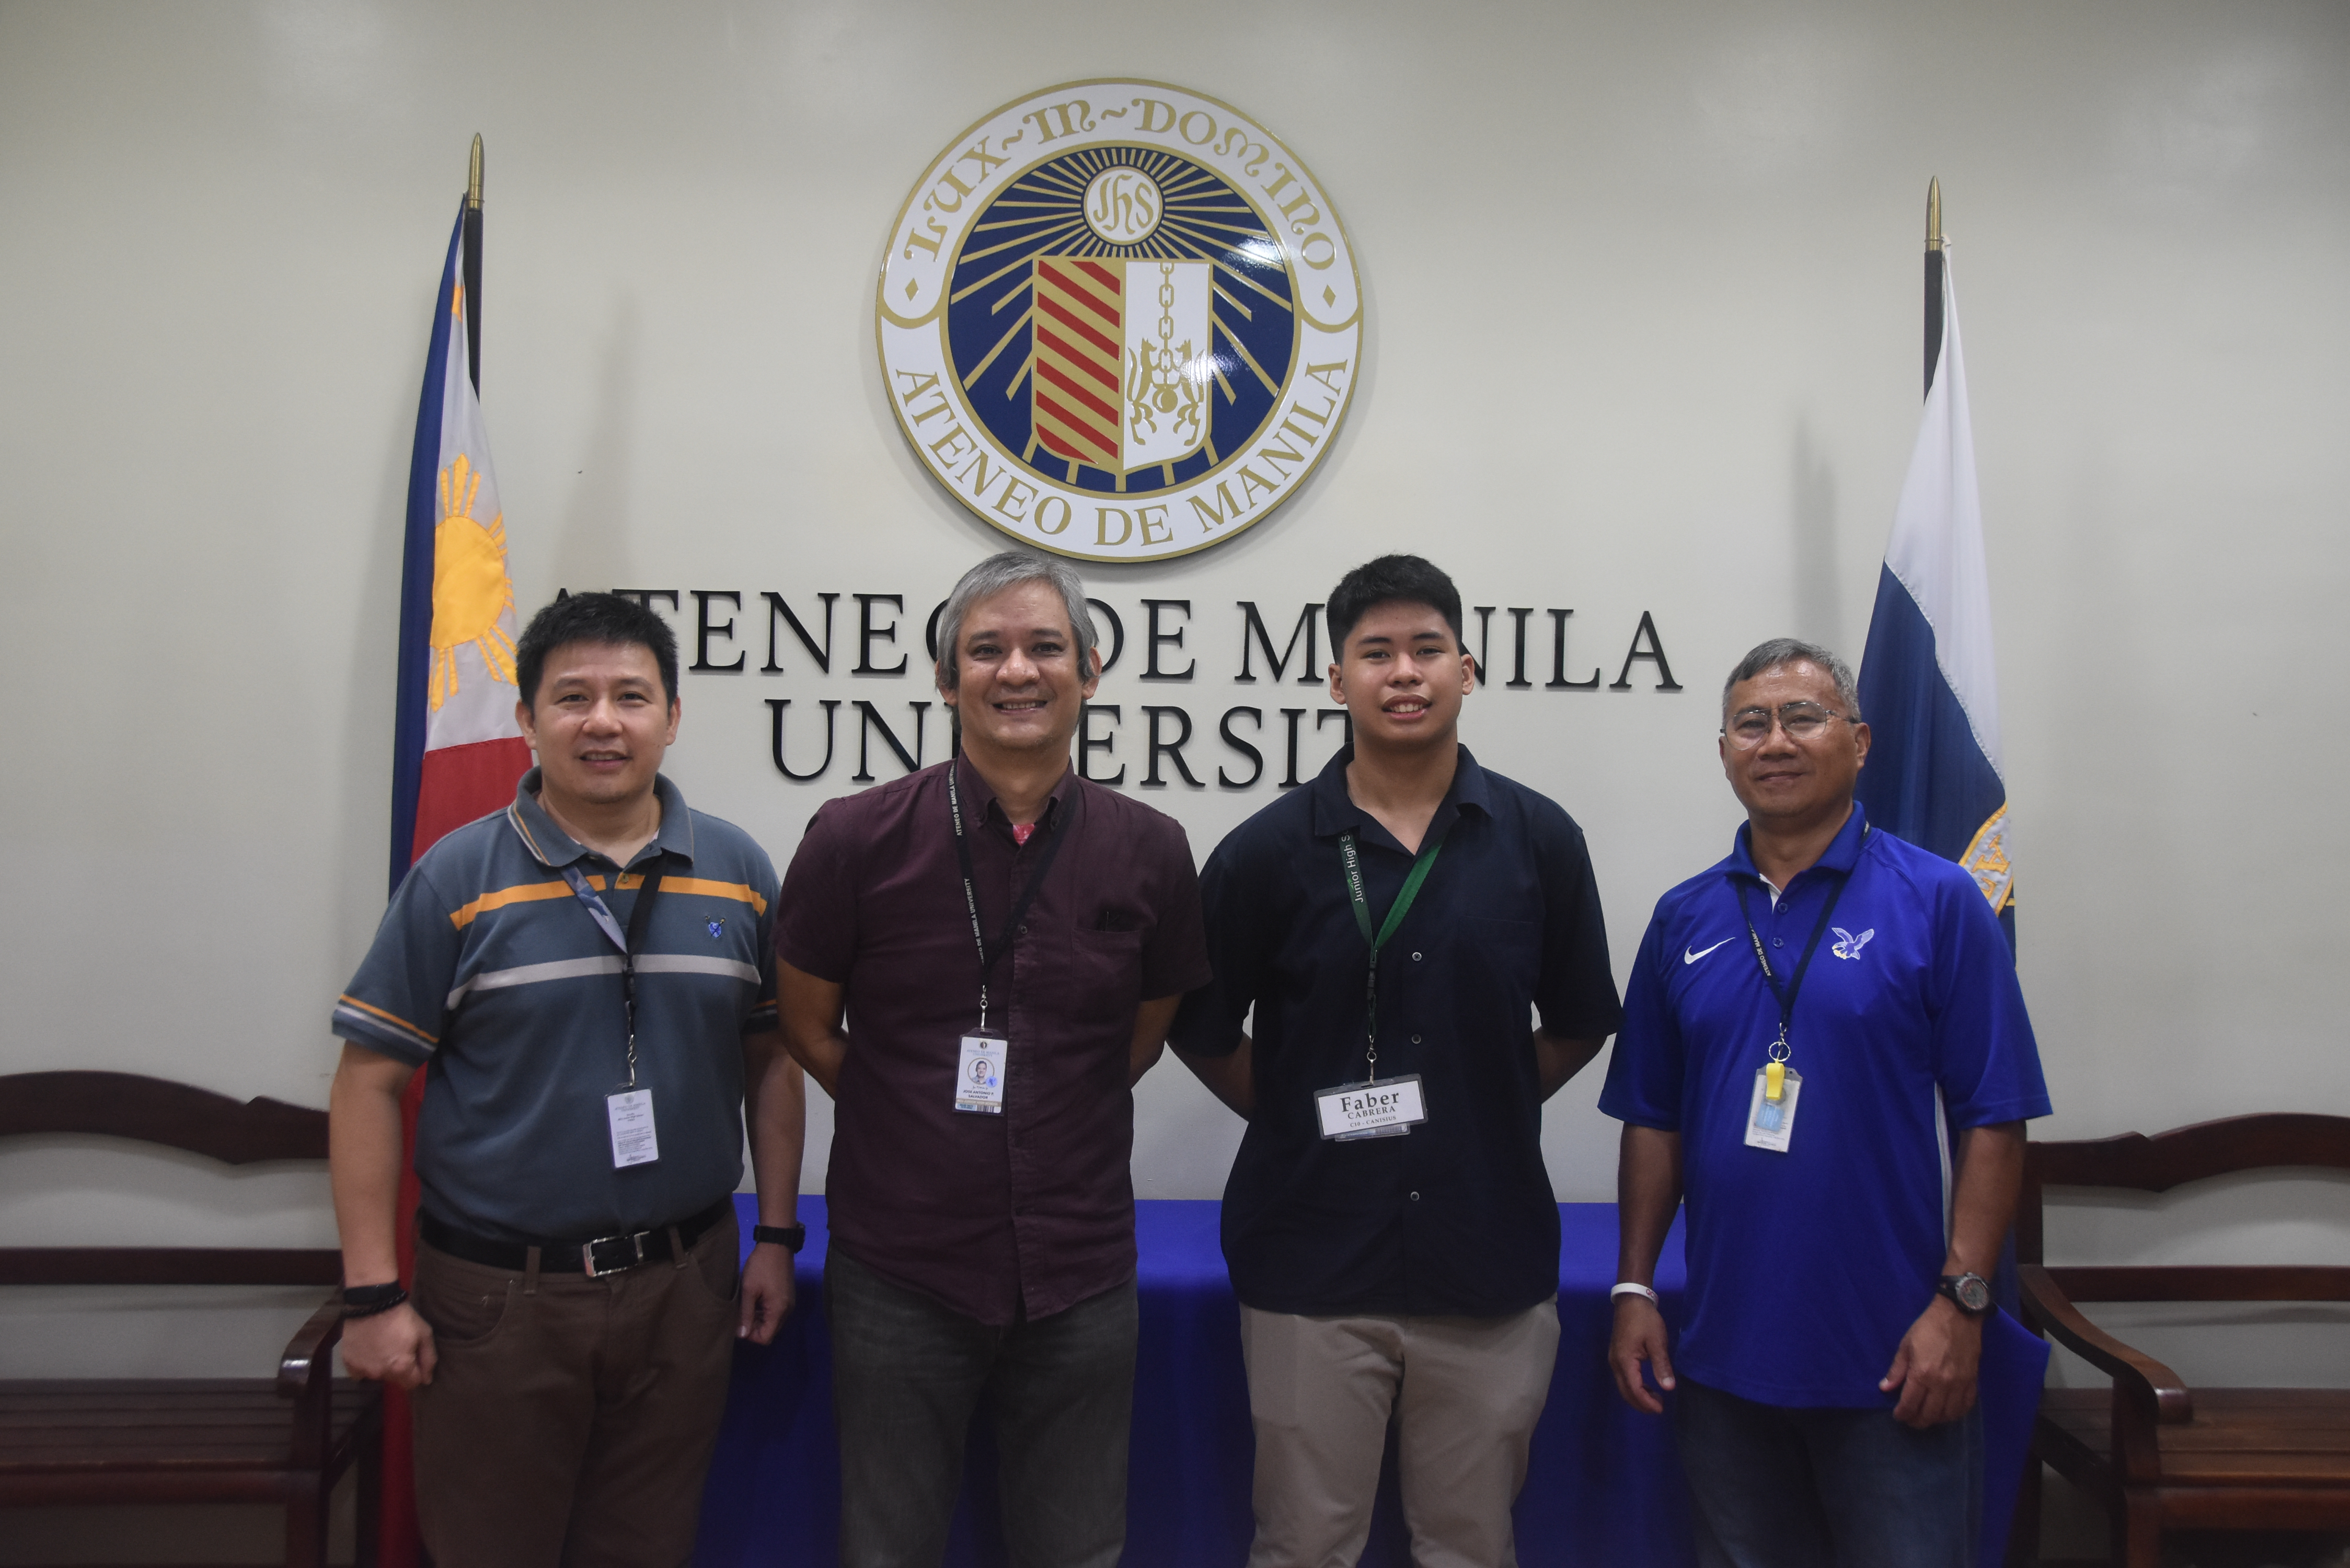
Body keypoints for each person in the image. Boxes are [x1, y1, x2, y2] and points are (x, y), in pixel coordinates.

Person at [327, 592, 805, 1568]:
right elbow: (369, 1082)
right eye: (572, 697)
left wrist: (777, 1238)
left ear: (672, 718)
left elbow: (773, 1059)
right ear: (526, 719)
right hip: (502, 1301)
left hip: (686, 1284)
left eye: (632, 696)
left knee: (650, 1547)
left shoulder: (741, 871)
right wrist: (373, 1295)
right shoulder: (456, 879)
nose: (602, 721)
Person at [1167, 553, 1623, 1568]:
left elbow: (1582, 1020)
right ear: (1336, 682)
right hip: (1308, 1264)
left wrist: (1479, 1103)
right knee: (1304, 1545)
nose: (1403, 672)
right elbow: (1199, 1032)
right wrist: (1294, 1112)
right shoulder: (1262, 853)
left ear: (1468, 669)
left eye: (1426, 649)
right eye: (1375, 653)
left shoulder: (1539, 840)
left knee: (1468, 1545)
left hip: (1487, 1260)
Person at [771, 550, 1210, 1568]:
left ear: (1090, 671)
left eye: (1045, 646)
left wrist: (1051, 1103)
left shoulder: (1151, 850)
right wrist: (897, 1107)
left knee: (1078, 1550)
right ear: (944, 679)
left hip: (1080, 1274)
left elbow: (1140, 1036)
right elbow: (805, 1024)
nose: (1018, 669)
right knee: (887, 1549)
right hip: (899, 1269)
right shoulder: (854, 840)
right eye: (987, 649)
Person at [1599, 638, 2051, 1568]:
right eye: (1751, 722)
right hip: (1723, 1356)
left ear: (1860, 741)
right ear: (1723, 750)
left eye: (1802, 717)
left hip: (1896, 1353)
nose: (1775, 740)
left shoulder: (1940, 901)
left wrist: (1962, 1304)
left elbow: (1994, 1117)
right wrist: (1636, 1285)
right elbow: (1653, 1116)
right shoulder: (1683, 917)